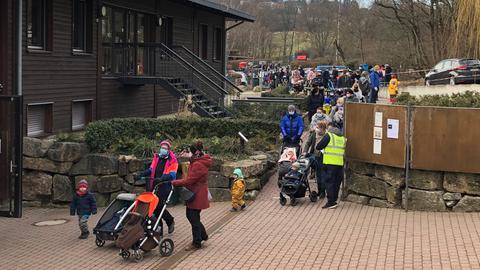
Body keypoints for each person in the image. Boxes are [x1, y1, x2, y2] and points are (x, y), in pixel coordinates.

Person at [172, 141, 211, 251]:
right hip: (195, 192)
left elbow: (190, 180)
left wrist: (175, 182)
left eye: (188, 152)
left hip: (197, 194)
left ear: (193, 152)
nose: (187, 154)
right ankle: (203, 235)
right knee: (192, 216)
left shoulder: (198, 164)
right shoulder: (198, 161)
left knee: (193, 218)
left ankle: (197, 242)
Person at [139, 140, 178, 235]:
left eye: (165, 148)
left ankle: (168, 221)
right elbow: (151, 169)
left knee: (158, 206)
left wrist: (162, 179)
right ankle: (159, 229)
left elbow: (172, 175)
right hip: (154, 184)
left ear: (168, 150)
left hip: (164, 186)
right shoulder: (157, 158)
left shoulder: (172, 160)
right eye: (162, 148)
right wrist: (141, 174)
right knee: (154, 207)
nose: (162, 150)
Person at [316, 122, 346, 209]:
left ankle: (331, 202)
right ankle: (334, 200)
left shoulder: (329, 135)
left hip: (329, 163)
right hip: (339, 164)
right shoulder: (343, 138)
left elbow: (318, 146)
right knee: (336, 183)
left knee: (329, 182)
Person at [303, 121, 328, 198]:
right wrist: (305, 151)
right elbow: (308, 143)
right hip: (315, 156)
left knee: (322, 175)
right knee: (318, 175)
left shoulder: (327, 136)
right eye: (316, 127)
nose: (316, 129)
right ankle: (319, 191)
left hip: (324, 157)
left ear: (323, 128)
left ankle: (323, 192)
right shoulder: (314, 134)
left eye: (318, 127)